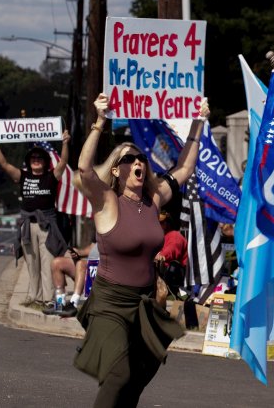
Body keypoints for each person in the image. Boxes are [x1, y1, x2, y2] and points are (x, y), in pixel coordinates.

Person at [73, 93, 208, 407]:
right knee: (119, 374)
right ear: (117, 171)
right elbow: (84, 169)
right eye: (128, 160)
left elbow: (185, 167)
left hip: (146, 301)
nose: (137, 163)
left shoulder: (155, 198)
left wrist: (198, 121)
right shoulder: (107, 201)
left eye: (140, 159)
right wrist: (100, 122)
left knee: (141, 376)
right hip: (110, 302)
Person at [0, 131, 70, 305]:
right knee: (32, 263)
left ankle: (48, 299)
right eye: (33, 157)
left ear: (45, 162)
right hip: (28, 226)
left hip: (47, 226)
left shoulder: (51, 176)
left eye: (40, 158)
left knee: (48, 263)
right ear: (28, 161)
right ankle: (35, 296)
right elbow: (4, 164)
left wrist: (64, 143)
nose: (36, 159)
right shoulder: (22, 176)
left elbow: (63, 162)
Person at [42, 241, 96, 317]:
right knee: (56, 263)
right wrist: (77, 252)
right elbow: (94, 245)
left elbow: (103, 249)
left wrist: (81, 252)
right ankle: (59, 304)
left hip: (104, 271)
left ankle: (73, 304)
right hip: (90, 267)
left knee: (81, 264)